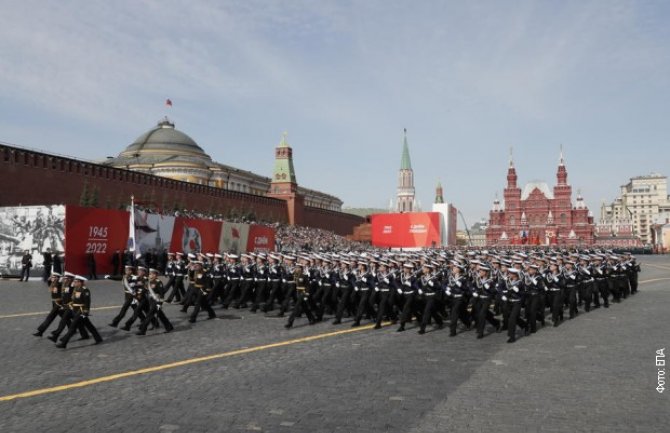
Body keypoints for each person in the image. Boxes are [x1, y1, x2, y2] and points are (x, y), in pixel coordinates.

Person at [55, 275, 103, 348]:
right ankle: (98, 338)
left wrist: (85, 312)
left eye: (76, 281)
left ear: (80, 282)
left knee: (72, 326)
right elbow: (73, 300)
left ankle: (64, 343)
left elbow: (87, 302)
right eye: (75, 281)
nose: (74, 282)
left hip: (81, 311)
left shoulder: (85, 290)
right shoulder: (76, 289)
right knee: (89, 326)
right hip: (75, 310)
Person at [136, 268, 174, 335]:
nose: (150, 275)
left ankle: (142, 330)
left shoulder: (158, 282)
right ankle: (169, 327)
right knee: (161, 316)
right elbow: (144, 290)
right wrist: (139, 295)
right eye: (150, 274)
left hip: (156, 301)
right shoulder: (149, 282)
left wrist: (160, 303)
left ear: (155, 275)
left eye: (151, 274)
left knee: (149, 315)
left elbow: (162, 294)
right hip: (151, 301)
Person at [33, 272, 63, 337]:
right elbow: (49, 283)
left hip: (59, 303)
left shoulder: (60, 284)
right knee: (64, 317)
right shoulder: (53, 284)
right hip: (54, 303)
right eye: (52, 277)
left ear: (57, 278)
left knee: (50, 316)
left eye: (54, 277)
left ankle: (40, 331)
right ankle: (75, 328)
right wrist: (49, 279)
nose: (52, 278)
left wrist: (61, 279)